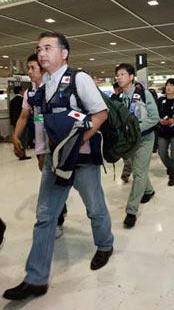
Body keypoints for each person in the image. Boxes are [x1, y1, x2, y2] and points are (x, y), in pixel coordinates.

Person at [3, 31, 114, 301]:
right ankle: (36, 278)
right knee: (45, 216)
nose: (41, 53)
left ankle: (105, 245)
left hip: (83, 158)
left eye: (48, 48)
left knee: (95, 207)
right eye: (39, 48)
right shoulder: (43, 86)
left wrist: (78, 142)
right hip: (56, 159)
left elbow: (101, 113)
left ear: (64, 53)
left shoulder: (79, 79)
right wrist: (43, 151)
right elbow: (41, 121)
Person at [12, 53, 67, 239]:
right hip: (40, 144)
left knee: (52, 184)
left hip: (56, 144)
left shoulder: (53, 89)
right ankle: (61, 209)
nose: (29, 72)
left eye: (32, 68)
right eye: (28, 68)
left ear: (43, 70)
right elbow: (23, 116)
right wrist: (15, 136)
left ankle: (57, 219)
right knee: (50, 181)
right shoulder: (30, 93)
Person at [115, 63, 160, 228]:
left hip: (145, 139)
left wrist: (135, 129)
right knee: (137, 169)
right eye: (117, 75)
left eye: (122, 74)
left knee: (139, 173)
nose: (118, 77)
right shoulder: (121, 98)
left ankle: (131, 211)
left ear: (131, 76)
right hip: (130, 141)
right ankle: (148, 191)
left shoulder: (144, 94)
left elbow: (155, 118)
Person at [111, 82, 132, 183]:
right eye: (116, 89)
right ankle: (126, 172)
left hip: (129, 128)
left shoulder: (127, 97)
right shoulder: (113, 98)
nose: (117, 91)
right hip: (120, 129)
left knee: (130, 152)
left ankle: (127, 173)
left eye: (119, 89)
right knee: (125, 152)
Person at [9, 86, 31, 160]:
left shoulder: (12, 100)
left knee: (17, 138)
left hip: (15, 121)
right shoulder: (22, 100)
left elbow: (11, 112)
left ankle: (18, 152)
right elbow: (25, 113)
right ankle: (22, 154)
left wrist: (12, 122)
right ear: (20, 91)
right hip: (22, 122)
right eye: (23, 90)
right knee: (23, 138)